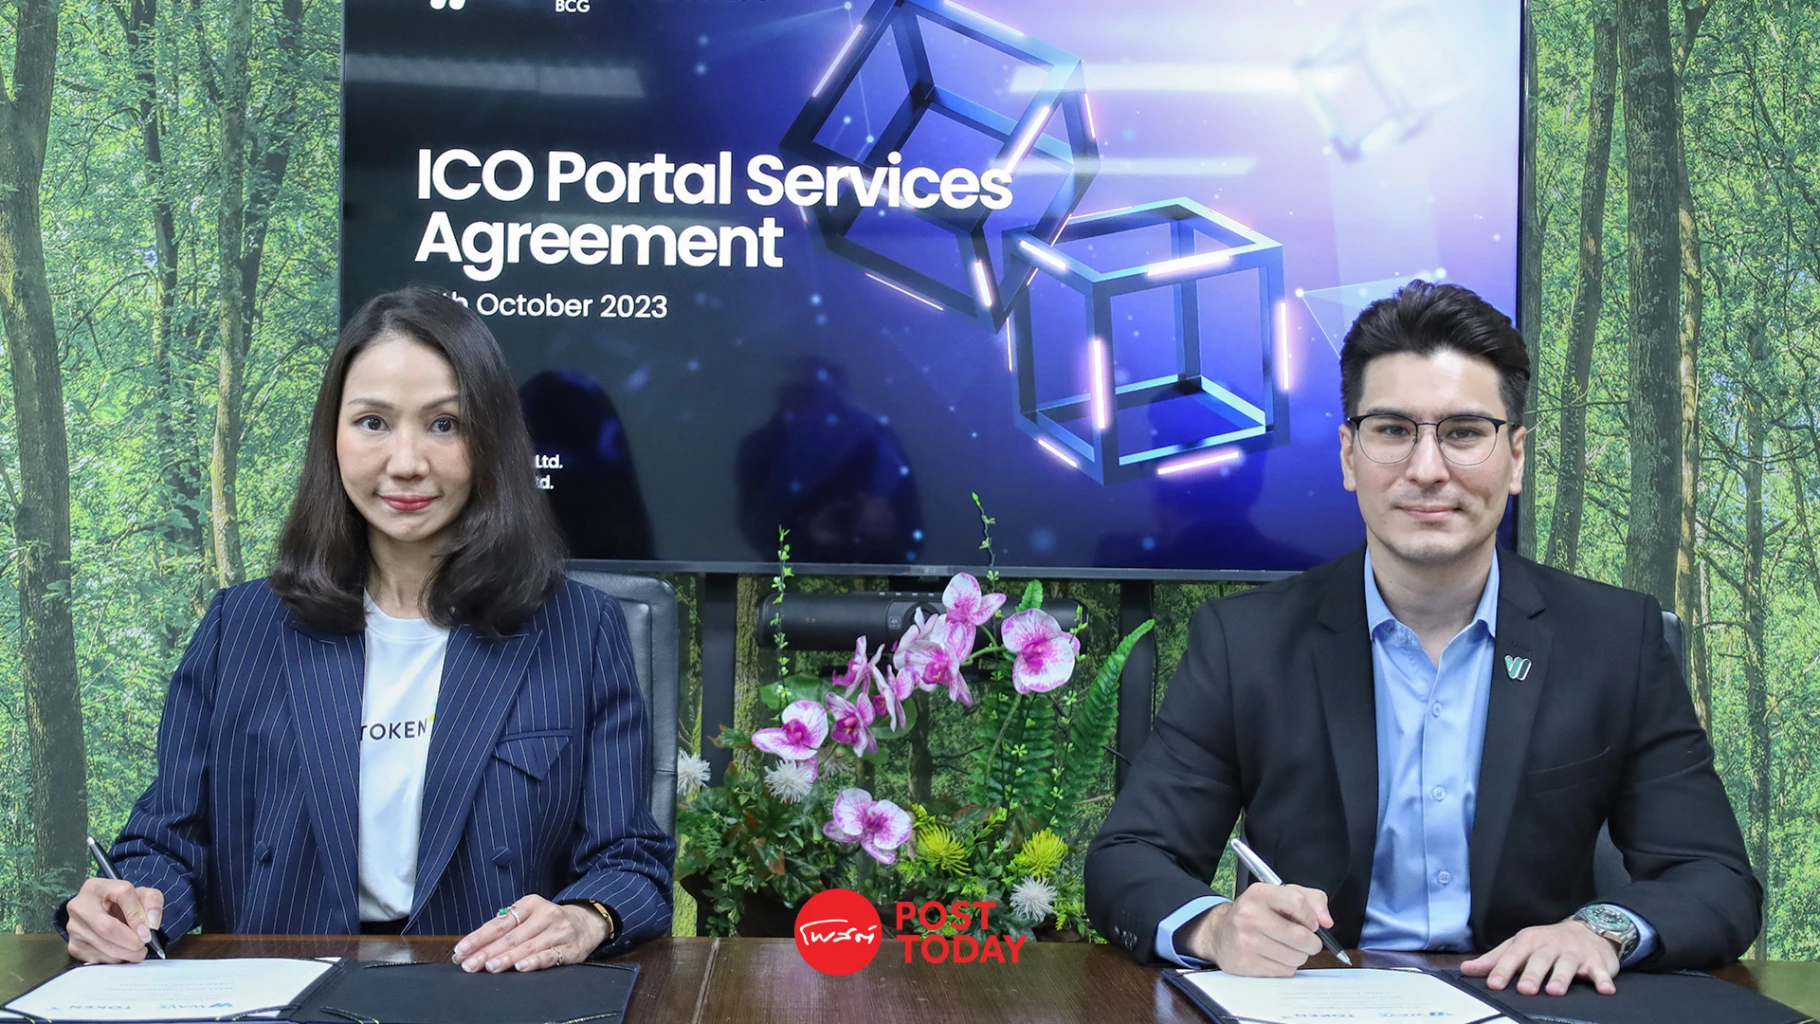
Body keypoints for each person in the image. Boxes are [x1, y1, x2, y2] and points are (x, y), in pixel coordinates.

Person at [1085, 280, 1759, 996]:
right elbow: (1129, 858)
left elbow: (1714, 877)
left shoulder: (1614, 641)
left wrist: (1600, 930)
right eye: (1392, 430)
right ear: (1349, 456)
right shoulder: (1245, 642)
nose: (1428, 469)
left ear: (1516, 456)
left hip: (1535, 1005)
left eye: (1464, 432)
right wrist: (1214, 926)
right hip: (1317, 1002)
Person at [59, 287, 674, 970]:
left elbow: (630, 862)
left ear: (492, 440)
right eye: (373, 422)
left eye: (445, 424)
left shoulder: (578, 630)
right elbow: (166, 845)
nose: (406, 462)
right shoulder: (242, 629)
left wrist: (586, 917)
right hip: (282, 993)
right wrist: (130, 904)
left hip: (488, 991)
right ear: (333, 436)